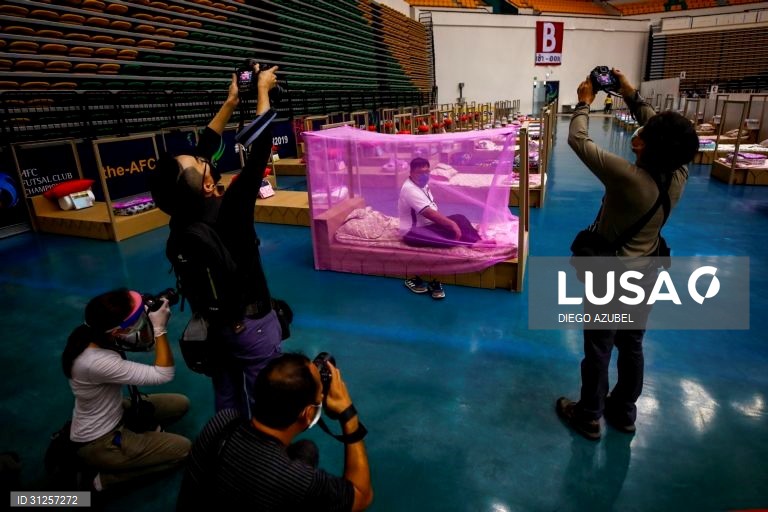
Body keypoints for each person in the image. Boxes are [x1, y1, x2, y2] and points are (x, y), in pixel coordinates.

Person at [557, 68, 699, 440]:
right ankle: (623, 411)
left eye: (643, 134)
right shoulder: (679, 173)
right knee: (632, 343)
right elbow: (663, 131)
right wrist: (629, 92)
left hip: (611, 276)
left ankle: (589, 414)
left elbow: (578, 139)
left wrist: (584, 102)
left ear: (640, 145)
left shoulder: (627, 178)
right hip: (647, 272)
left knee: (599, 345)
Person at [149, 64, 283, 417]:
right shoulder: (232, 210)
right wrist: (263, 91)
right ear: (208, 185)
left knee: (227, 399)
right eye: (199, 161)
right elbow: (260, 150)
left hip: (214, 327)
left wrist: (231, 101)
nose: (201, 155)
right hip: (251, 326)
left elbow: (204, 150)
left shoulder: (180, 215)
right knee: (266, 402)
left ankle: (226, 441)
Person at [176, 352, 373, 511]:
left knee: (307, 449)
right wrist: (348, 415)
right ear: (308, 413)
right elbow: (361, 495)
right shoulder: (296, 480)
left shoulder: (223, 420)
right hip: (274, 479)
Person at [62, 288, 191, 491]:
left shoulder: (95, 331)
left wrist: (147, 314)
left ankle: (137, 434)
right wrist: (159, 329)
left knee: (180, 404)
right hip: (101, 441)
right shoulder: (96, 361)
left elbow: (139, 341)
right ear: (116, 332)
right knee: (184, 450)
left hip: (116, 411)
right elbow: (163, 374)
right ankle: (98, 481)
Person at [399, 157, 490, 299]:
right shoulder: (409, 189)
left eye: (427, 172)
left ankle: (475, 242)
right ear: (411, 173)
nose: (424, 175)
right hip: (412, 232)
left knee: (459, 218)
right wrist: (452, 225)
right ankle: (470, 240)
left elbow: (433, 212)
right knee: (452, 233)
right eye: (420, 173)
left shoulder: (422, 185)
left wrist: (452, 223)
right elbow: (429, 213)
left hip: (426, 226)